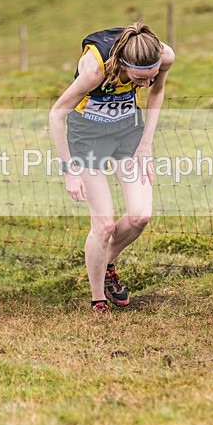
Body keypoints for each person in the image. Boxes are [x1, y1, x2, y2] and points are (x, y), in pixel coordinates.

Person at [49, 23, 174, 314]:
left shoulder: (164, 56)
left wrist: (146, 145)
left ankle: (105, 264)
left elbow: (157, 93)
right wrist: (70, 169)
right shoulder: (94, 70)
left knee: (141, 215)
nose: (144, 84)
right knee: (103, 225)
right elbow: (56, 114)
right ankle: (98, 300)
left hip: (127, 132)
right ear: (121, 64)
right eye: (138, 78)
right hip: (87, 136)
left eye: (150, 76)